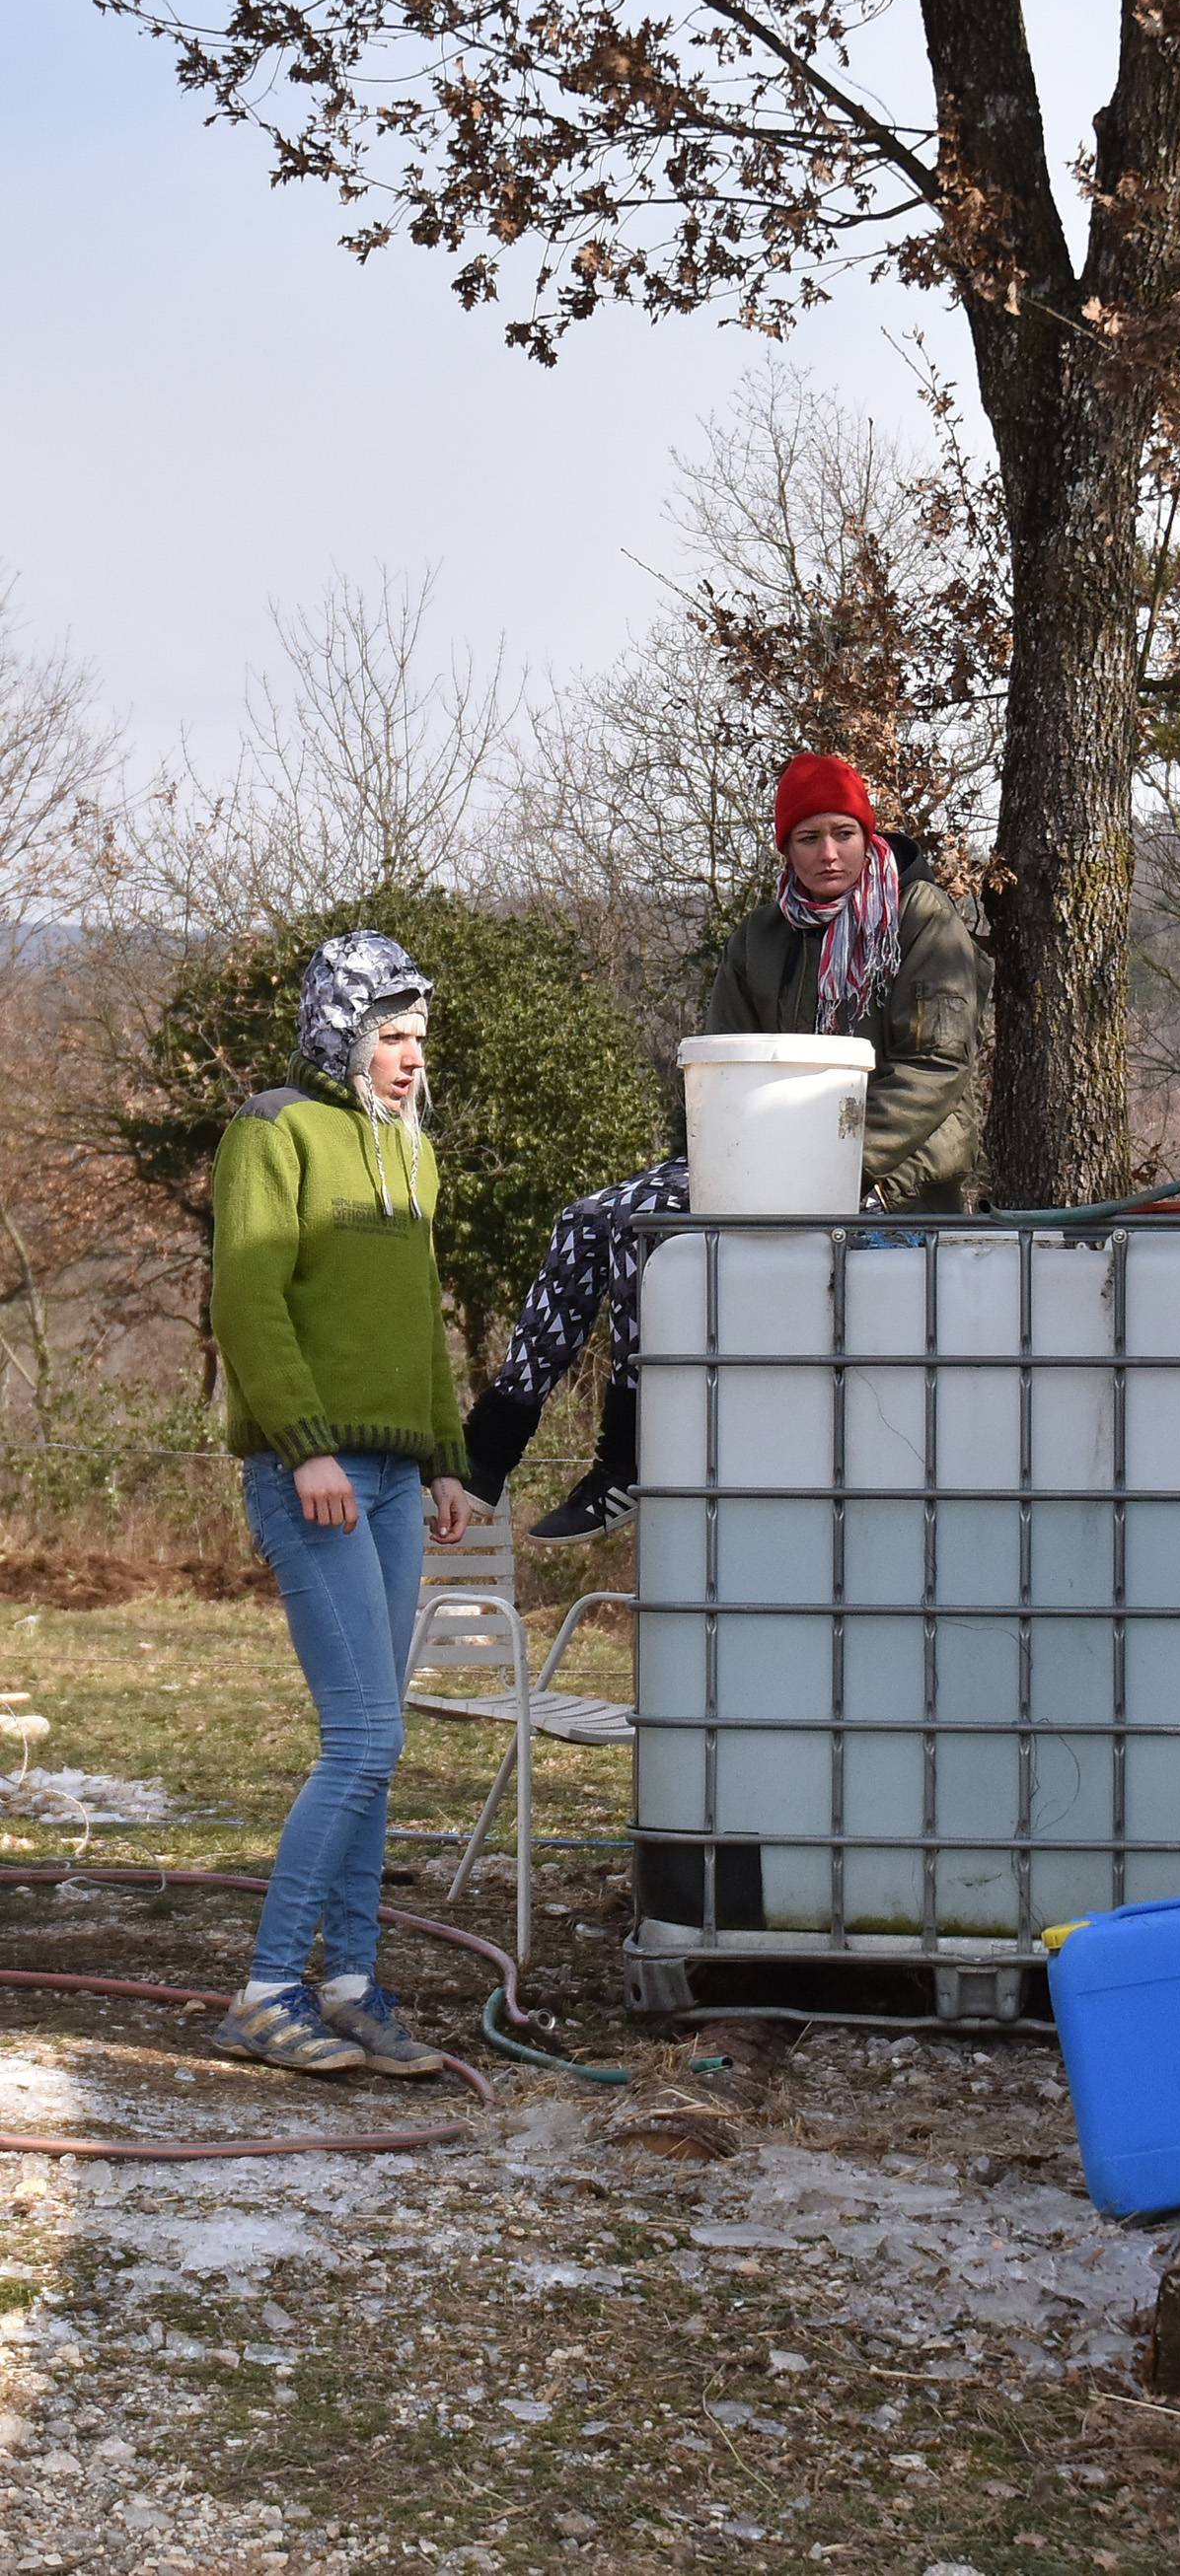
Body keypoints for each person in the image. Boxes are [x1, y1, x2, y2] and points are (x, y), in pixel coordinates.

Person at [460, 751, 985, 1539]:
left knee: (657, 1224)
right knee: (599, 1220)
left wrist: (837, 1163)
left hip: (891, 1171)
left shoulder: (922, 919)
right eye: (808, 838)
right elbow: (722, 1079)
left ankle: (628, 1454)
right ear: (786, 849)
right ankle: (492, 1449)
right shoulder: (759, 939)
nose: (828, 853)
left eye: (844, 832)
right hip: (764, 1163)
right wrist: (733, 1165)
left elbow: (936, 1068)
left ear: (867, 834)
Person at [208, 932, 473, 2075]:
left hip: (396, 1477)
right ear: (345, 1034)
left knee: (378, 1741)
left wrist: (449, 1454)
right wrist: (305, 1445)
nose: (411, 1058)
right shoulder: (277, 1130)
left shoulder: (413, 1151)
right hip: (306, 1473)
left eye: (418, 1038)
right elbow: (248, 1299)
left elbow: (420, 1318)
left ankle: (354, 1980)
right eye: (393, 1037)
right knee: (363, 1734)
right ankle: (268, 1989)